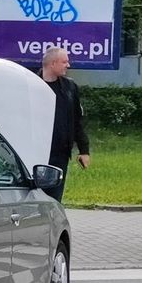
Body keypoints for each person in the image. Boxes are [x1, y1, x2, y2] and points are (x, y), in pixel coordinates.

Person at [39, 46, 90, 202]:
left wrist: (84, 150)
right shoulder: (32, 85)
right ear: (52, 63)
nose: (68, 65)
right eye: (64, 62)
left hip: (60, 153)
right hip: (36, 152)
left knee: (54, 199)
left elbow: (77, 120)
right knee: (37, 196)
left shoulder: (69, 87)